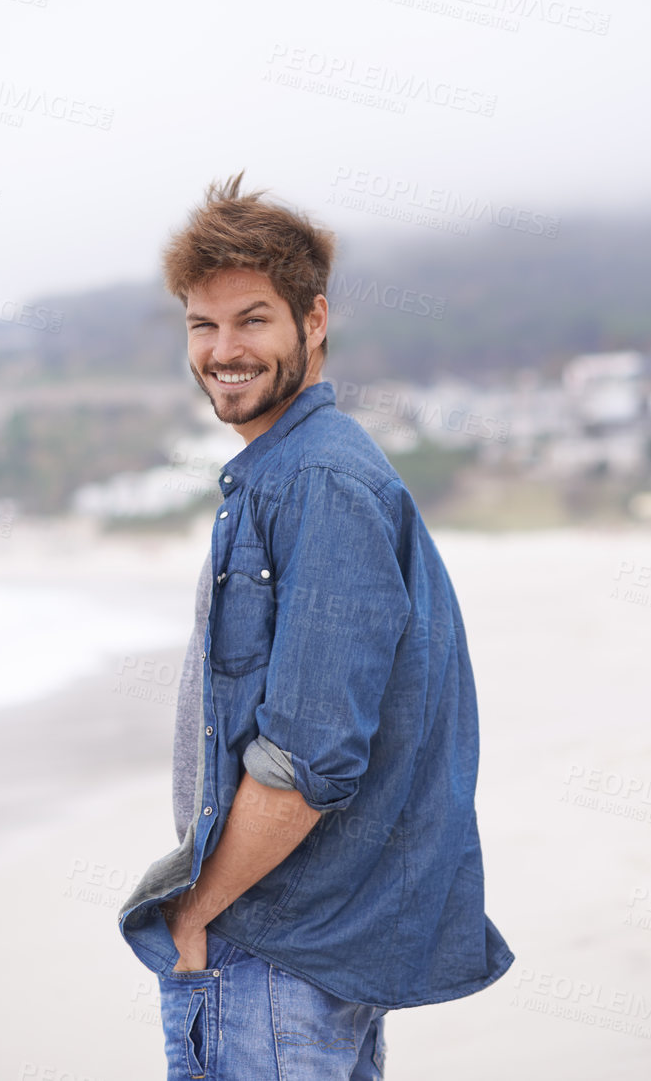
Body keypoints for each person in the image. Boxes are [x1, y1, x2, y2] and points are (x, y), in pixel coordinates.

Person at [117, 173, 512, 1080]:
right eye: (201, 325)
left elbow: (306, 759)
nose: (222, 350)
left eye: (252, 319)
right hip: (301, 937)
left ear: (313, 320)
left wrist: (194, 910)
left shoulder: (319, 483)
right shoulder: (283, 473)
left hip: (276, 941)